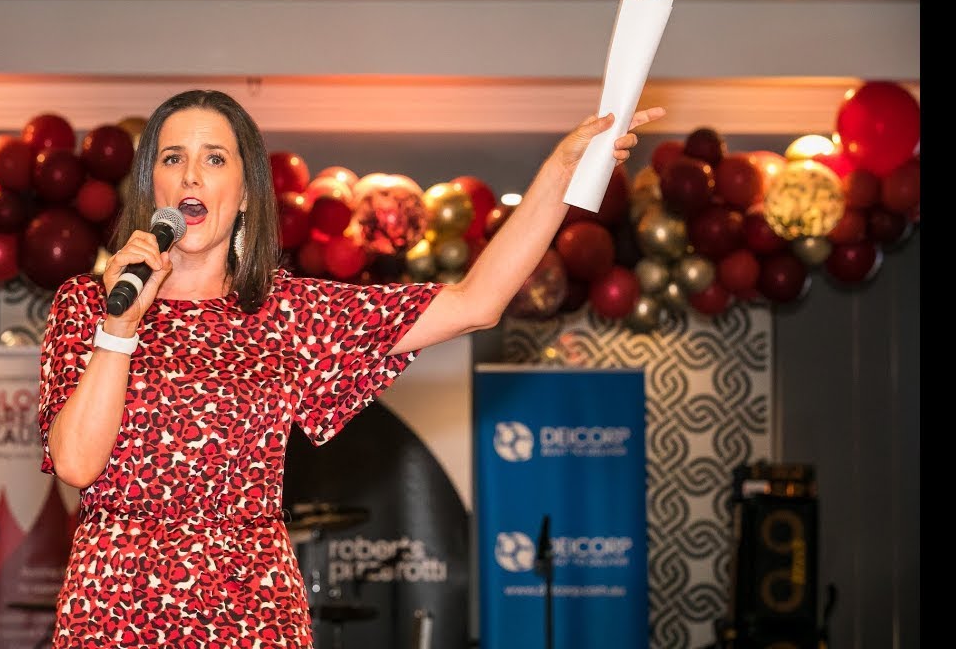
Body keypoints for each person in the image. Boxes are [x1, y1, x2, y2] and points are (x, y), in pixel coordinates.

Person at [37, 88, 664, 648]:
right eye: (172, 158)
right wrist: (120, 326)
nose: (191, 174)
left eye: (215, 158)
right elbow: (76, 463)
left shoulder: (288, 312)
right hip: (115, 605)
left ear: (247, 193)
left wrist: (560, 171)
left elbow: (477, 303)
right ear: (151, 184)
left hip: (249, 609)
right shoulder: (88, 303)